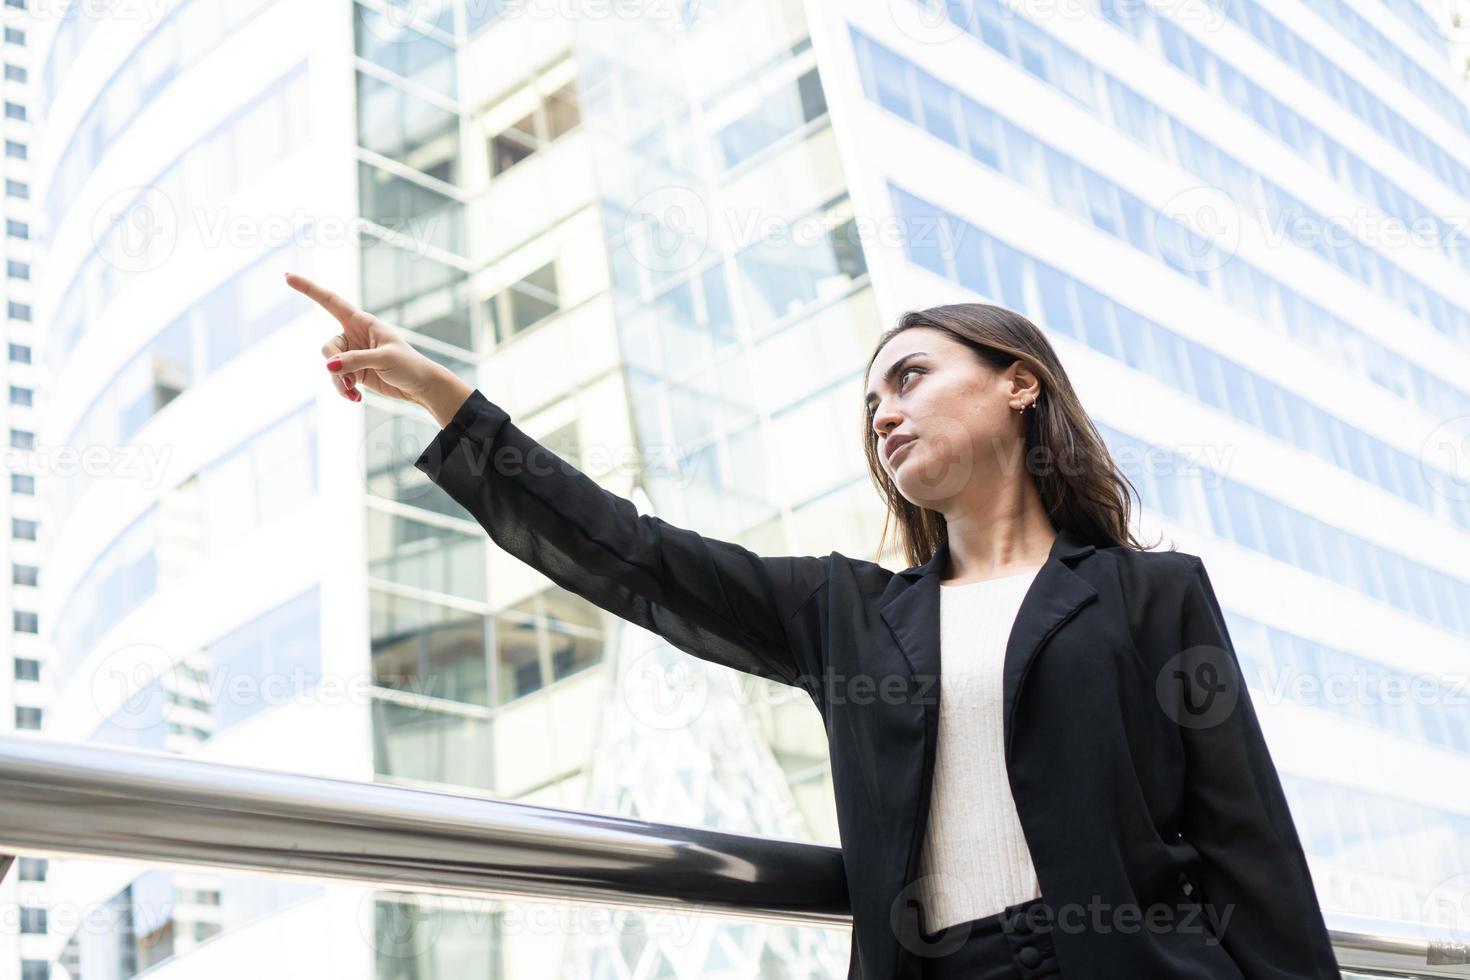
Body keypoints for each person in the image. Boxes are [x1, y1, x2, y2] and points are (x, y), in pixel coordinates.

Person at [287, 273, 1341, 979]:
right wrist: (444, 399)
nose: (884, 413)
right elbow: (635, 554)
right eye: (871, 401)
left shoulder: (1151, 594)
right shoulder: (849, 613)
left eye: (911, 377)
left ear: (1019, 382)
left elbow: (1251, 849)